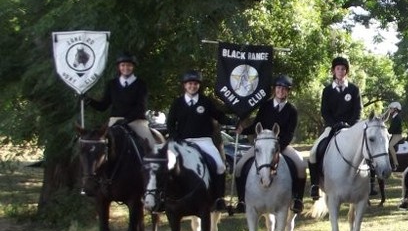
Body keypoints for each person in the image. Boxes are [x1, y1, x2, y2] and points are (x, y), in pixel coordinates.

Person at [233, 75, 306, 214]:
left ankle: (298, 199)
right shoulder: (265, 106)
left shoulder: (292, 110)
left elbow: (289, 133)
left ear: (288, 91)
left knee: (301, 166)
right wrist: (243, 131)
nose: (281, 91)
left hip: (281, 146)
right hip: (263, 146)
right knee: (239, 166)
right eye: (279, 88)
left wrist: (277, 148)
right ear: (274, 89)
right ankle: (242, 200)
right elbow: (256, 125)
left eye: (284, 89)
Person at [165, 70, 234, 212]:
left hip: (204, 141)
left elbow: (219, 116)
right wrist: (176, 138)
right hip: (183, 142)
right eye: (190, 83)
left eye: (195, 84)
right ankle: (162, 197)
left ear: (199, 86)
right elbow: (170, 123)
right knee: (164, 165)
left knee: (220, 166)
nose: (192, 86)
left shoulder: (206, 102)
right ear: (185, 85)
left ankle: (219, 198)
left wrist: (234, 121)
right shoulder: (177, 103)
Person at [307, 56, 363, 201]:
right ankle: (314, 185)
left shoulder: (354, 89)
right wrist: (334, 124)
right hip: (331, 128)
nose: (340, 71)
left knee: (366, 148)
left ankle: (370, 182)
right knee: (313, 152)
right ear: (333, 71)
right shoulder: (327, 90)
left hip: (351, 129)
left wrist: (348, 125)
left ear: (347, 72)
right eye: (338, 68)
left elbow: (358, 111)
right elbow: (325, 112)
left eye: (343, 69)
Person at [85, 52, 163, 152]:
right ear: (119, 67)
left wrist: (127, 120)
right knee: (99, 145)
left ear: (133, 67)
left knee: (151, 146)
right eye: (123, 65)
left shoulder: (140, 84)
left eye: (129, 65)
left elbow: (141, 107)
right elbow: (103, 106)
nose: (126, 68)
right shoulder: (112, 84)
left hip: (136, 121)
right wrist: (89, 100)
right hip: (115, 122)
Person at [387, 101, 404, 171]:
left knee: (390, 146)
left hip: (397, 136)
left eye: (391, 109)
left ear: (395, 109)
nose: (390, 110)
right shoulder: (394, 117)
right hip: (393, 135)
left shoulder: (397, 117)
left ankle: (396, 164)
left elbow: (393, 129)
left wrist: (387, 131)